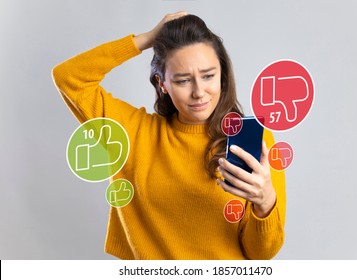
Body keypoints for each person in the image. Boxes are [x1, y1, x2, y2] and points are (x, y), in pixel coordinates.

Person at [52, 11, 286, 260]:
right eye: (183, 80)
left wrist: (265, 201)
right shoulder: (133, 133)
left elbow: (262, 255)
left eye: (208, 76)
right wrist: (147, 39)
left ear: (223, 75)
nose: (199, 92)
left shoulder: (254, 142)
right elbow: (69, 77)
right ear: (162, 83)